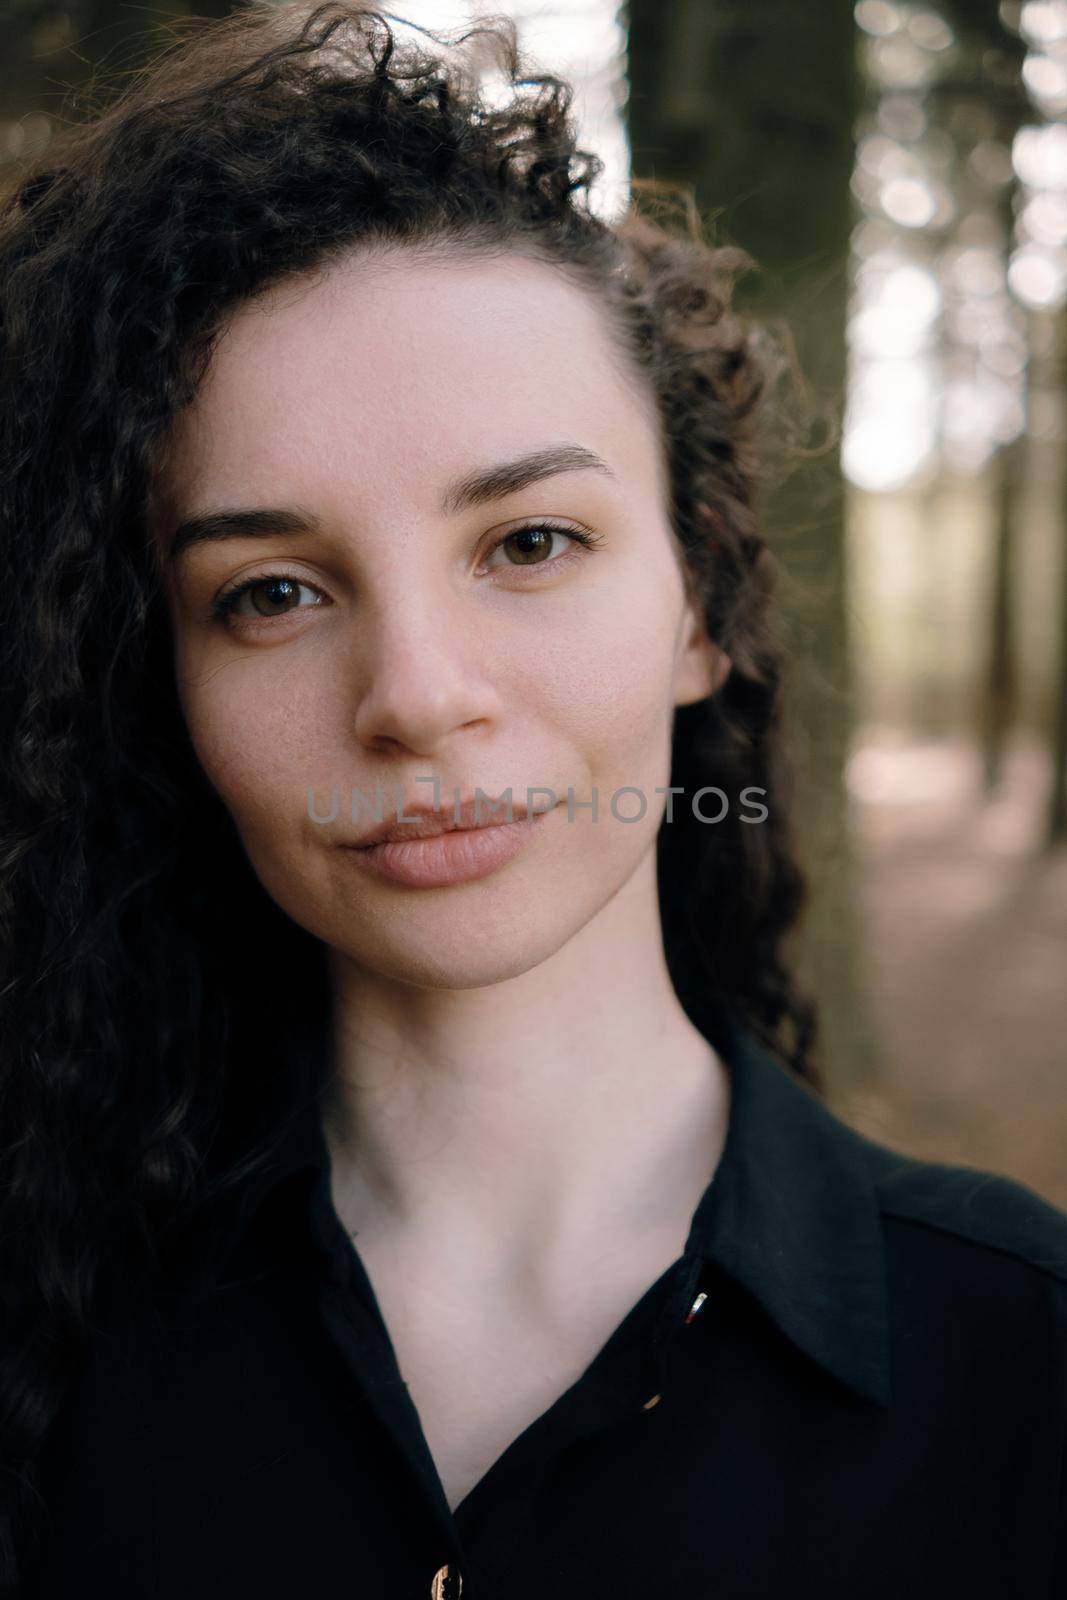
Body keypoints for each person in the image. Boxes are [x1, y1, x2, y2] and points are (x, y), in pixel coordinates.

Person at [1, 4, 1064, 1596]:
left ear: (700, 605)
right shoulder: (44, 1357)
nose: (418, 692)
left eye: (529, 544)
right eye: (275, 591)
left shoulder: (1029, 1364)